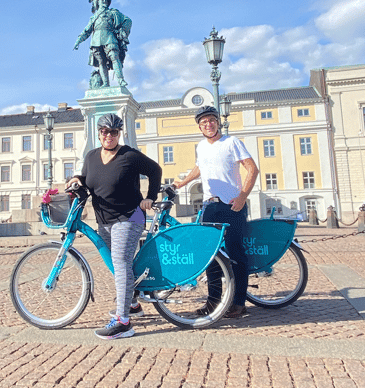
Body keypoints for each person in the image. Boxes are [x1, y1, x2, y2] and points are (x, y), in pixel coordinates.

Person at [67, 113, 161, 339]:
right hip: (104, 221)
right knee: (119, 265)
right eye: (105, 132)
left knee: (119, 264)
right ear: (99, 133)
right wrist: (77, 179)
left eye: (114, 132)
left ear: (119, 134)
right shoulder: (91, 157)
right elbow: (89, 179)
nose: (109, 136)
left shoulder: (129, 155)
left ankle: (123, 322)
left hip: (129, 217)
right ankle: (133, 304)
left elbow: (155, 170)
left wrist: (150, 197)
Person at [173, 105, 259, 318]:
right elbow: (200, 167)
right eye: (203, 122)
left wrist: (242, 196)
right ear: (199, 127)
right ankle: (213, 302)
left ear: (217, 122)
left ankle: (239, 303)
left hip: (232, 205)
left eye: (211, 120)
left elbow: (252, 169)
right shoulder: (201, 146)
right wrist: (183, 182)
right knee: (209, 255)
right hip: (209, 206)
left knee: (236, 253)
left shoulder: (231, 142)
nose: (208, 124)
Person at [73, 0, 132, 88]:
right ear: (97, 3)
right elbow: (87, 31)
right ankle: (105, 83)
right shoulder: (93, 17)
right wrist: (78, 41)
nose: (104, 1)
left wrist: (122, 31)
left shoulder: (113, 12)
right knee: (101, 62)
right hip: (96, 41)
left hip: (109, 37)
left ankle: (120, 80)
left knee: (114, 57)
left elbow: (127, 20)